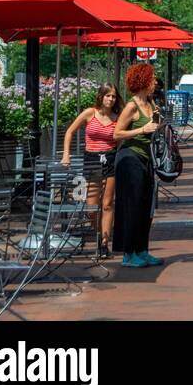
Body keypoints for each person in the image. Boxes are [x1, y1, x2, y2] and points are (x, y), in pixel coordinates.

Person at [61, 83, 122, 259]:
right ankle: (98, 233)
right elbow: (70, 132)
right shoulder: (90, 113)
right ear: (101, 96)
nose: (111, 99)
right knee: (91, 207)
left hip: (110, 159)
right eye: (108, 95)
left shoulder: (117, 117)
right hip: (92, 159)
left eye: (114, 96)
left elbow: (121, 139)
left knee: (108, 203)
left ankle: (104, 242)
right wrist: (67, 154)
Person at [112, 62, 163, 268]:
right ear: (143, 81)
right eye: (152, 79)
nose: (155, 83)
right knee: (131, 205)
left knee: (146, 206)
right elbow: (117, 134)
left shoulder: (150, 103)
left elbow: (154, 127)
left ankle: (142, 249)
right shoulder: (131, 106)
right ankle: (128, 253)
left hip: (146, 159)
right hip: (129, 159)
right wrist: (142, 131)